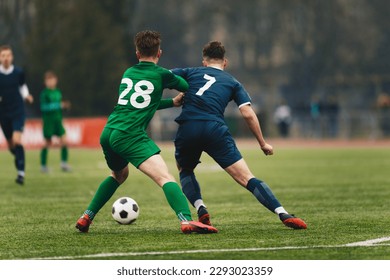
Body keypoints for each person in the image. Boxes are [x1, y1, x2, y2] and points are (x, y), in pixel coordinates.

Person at [75, 30, 218, 234]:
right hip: (129, 134)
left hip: (109, 132)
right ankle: (186, 220)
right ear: (159, 53)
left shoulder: (129, 73)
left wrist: (171, 102)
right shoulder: (162, 74)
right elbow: (185, 85)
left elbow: (141, 103)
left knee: (118, 174)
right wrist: (176, 90)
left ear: (136, 53)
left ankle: (86, 216)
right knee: (165, 177)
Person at [171, 41, 307, 229]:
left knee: (185, 170)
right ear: (225, 63)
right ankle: (282, 213)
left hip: (188, 127)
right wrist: (262, 143)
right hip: (215, 129)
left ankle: (201, 207)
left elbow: (162, 76)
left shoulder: (190, 72)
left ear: (204, 62)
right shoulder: (233, 82)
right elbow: (248, 113)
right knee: (247, 178)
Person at [0, 45, 34, 185]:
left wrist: (27, 96)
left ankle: (21, 173)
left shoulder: (19, 72)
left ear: (12, 57)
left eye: (8, 55)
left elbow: (22, 86)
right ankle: (18, 156)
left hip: (17, 111)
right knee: (11, 146)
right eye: (3, 55)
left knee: (17, 140)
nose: (6, 58)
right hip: (3, 113)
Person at [39, 71, 71, 173]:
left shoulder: (57, 92)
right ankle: (43, 166)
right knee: (47, 142)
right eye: (48, 80)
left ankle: (64, 164)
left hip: (58, 120)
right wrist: (58, 105)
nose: (51, 82)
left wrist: (64, 106)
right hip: (48, 121)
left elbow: (59, 105)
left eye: (52, 80)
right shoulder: (44, 94)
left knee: (64, 140)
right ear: (45, 82)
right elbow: (44, 107)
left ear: (55, 80)